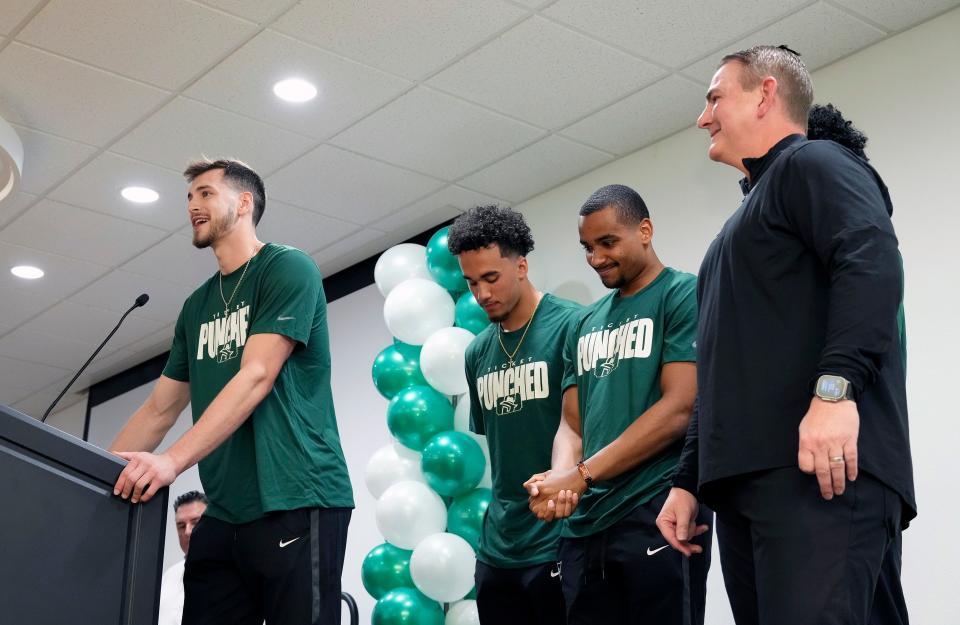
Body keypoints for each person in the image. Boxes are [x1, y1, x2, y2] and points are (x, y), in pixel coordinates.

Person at [657, 46, 914, 625]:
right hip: (750, 482)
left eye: (714, 97)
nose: (703, 117)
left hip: (819, 470)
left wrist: (835, 391)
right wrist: (688, 481)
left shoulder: (815, 162)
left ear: (765, 94)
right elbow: (721, 368)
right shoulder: (731, 236)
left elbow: (871, 262)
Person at [109, 158, 354, 625]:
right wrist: (92, 478)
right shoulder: (196, 306)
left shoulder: (286, 268)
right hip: (225, 511)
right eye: (189, 197)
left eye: (205, 194)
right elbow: (160, 408)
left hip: (298, 497)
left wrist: (171, 462)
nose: (193, 206)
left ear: (244, 204)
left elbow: (257, 374)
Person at [526, 184, 711, 624]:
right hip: (586, 527)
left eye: (608, 243)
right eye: (587, 247)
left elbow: (681, 408)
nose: (596, 259)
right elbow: (570, 424)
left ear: (644, 230)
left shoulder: (683, 293)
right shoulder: (584, 322)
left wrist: (581, 475)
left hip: (657, 507)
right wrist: (560, 478)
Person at [447, 205, 582, 625]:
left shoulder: (573, 325)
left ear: (521, 265)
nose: (482, 294)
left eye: (491, 278)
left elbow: (582, 428)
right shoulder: (476, 353)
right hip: (498, 549)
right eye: (471, 283)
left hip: (561, 536)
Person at [158, 491, 208, 625]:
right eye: (181, 525)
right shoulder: (167, 577)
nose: (187, 532)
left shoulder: (238, 575)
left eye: (196, 522)